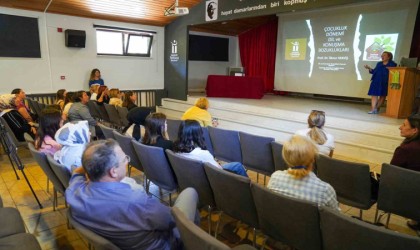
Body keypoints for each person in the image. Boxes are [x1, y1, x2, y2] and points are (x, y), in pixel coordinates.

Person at [65, 139, 199, 250]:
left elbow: (77, 173)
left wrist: (91, 163)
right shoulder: (135, 201)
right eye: (124, 159)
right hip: (163, 246)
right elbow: (171, 220)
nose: (127, 161)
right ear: (113, 172)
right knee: (190, 193)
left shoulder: (73, 193)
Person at [267, 135, 339, 210]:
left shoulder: (275, 177)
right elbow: (336, 219)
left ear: (286, 159)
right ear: (313, 160)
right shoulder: (325, 190)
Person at [173, 120, 247, 177]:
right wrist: (217, 164)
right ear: (197, 134)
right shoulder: (203, 154)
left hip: (193, 176)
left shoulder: (176, 148)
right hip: (212, 178)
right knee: (238, 166)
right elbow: (219, 170)